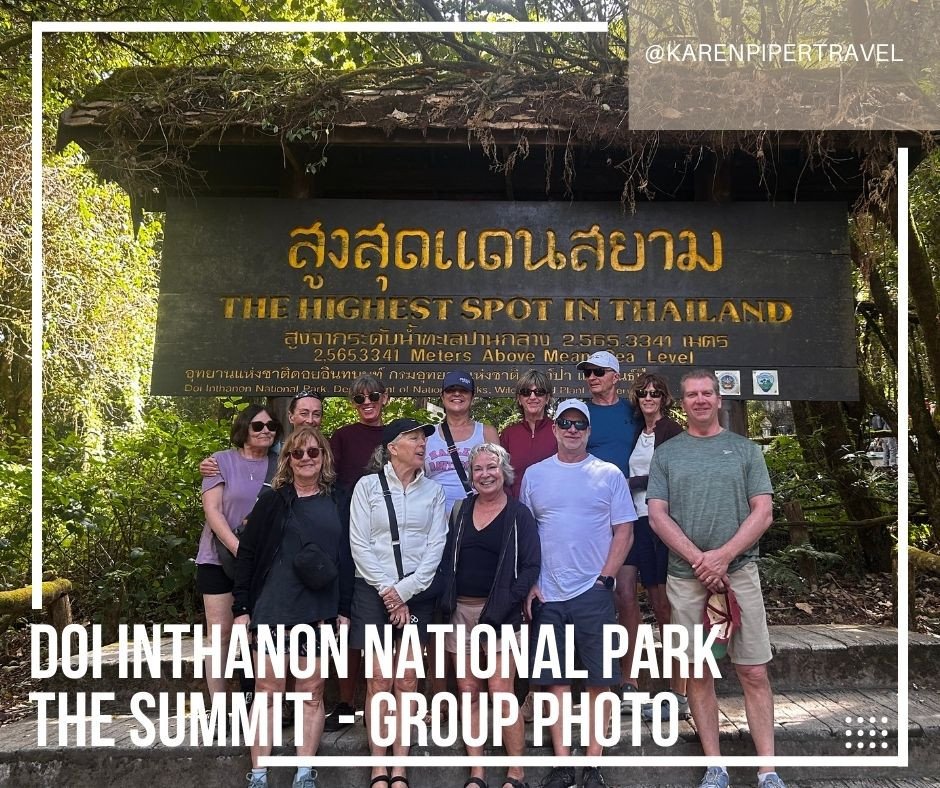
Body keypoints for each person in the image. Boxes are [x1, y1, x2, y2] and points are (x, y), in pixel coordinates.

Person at [647, 370, 785, 788]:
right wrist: (699, 560)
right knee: (697, 671)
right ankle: (715, 766)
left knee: (754, 671)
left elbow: (763, 512)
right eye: (692, 394)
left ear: (719, 399)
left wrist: (722, 557)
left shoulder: (745, 451)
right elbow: (657, 515)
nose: (700, 400)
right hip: (685, 579)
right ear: (682, 402)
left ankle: (768, 770)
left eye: (707, 393)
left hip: (739, 574)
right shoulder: (667, 454)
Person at [521, 399, 636, 788]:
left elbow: (624, 530)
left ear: (588, 431)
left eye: (579, 424)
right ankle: (562, 764)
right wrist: (531, 582)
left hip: (593, 590)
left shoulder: (608, 474)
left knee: (599, 680)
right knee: (553, 681)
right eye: (565, 423)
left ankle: (592, 765)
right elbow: (526, 534)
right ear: (554, 428)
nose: (572, 430)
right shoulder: (535, 475)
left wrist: (606, 578)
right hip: (548, 593)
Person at [232, 425, 349, 788]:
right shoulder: (273, 501)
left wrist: (344, 609)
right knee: (267, 690)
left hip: (320, 610)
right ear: (288, 460)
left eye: (313, 452)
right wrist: (241, 608)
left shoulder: (339, 500)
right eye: (297, 453)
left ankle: (303, 773)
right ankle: (259, 774)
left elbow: (348, 558)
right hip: (274, 607)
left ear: (323, 457)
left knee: (311, 693)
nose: (305, 459)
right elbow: (248, 554)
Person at [348, 418, 447, 788]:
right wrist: (389, 592)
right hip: (373, 592)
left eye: (424, 439)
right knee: (379, 678)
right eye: (414, 438)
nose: (422, 444)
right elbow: (359, 544)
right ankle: (378, 768)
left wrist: (405, 592)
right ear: (392, 447)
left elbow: (436, 547)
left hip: (416, 596)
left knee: (406, 679)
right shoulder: (367, 487)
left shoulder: (434, 492)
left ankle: (400, 768)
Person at [437, 443, 540, 788]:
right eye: (478, 469)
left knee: (501, 690)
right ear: (471, 475)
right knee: (468, 690)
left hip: (502, 614)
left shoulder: (519, 514)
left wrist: (506, 604)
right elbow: (447, 558)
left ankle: (516, 773)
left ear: (504, 471)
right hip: (460, 611)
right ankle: (477, 772)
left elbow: (531, 566)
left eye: (491, 467)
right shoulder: (461, 510)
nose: (485, 475)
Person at [195, 404, 281, 703]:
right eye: (258, 426)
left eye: (271, 426)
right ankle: (218, 706)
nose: (265, 431)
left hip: (263, 563)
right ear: (243, 429)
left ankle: (257, 701)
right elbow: (213, 510)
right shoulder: (219, 462)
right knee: (220, 634)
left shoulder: (281, 464)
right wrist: (239, 549)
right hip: (218, 558)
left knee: (257, 632)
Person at [324, 374, 389, 731]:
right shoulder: (343, 437)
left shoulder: (397, 435)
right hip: (350, 534)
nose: (367, 403)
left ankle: (384, 703)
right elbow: (323, 476)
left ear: (385, 398)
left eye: (373, 396)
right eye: (359, 398)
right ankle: (347, 702)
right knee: (347, 619)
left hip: (391, 539)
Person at [622, 373, 687, 720]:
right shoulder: (637, 431)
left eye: (655, 393)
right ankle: (633, 684)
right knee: (639, 598)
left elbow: (673, 475)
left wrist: (631, 481)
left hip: (663, 523)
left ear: (664, 398)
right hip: (635, 521)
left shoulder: (672, 431)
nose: (649, 398)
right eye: (644, 393)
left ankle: (679, 691)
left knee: (666, 606)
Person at [576, 350, 639, 701]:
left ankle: (629, 677)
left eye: (599, 372)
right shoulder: (581, 415)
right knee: (590, 593)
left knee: (625, 593)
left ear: (616, 375)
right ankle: (594, 676)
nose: (592, 377)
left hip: (629, 512)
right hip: (590, 515)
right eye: (588, 372)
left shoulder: (633, 411)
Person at [425, 370, 500, 514]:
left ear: (472, 397)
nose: (457, 394)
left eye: (463, 390)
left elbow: (497, 477)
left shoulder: (487, 433)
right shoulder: (428, 435)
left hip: (475, 516)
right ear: (442, 396)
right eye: (450, 390)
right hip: (433, 516)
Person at [200, 391, 324, 477]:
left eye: (316, 414)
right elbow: (246, 458)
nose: (310, 420)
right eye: (304, 413)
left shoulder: (328, 449)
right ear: (291, 417)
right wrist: (215, 465)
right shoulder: (274, 448)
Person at [499, 369, 556, 499]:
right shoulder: (508, 434)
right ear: (519, 399)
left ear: (547, 398)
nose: (532, 397)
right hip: (515, 506)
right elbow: (500, 474)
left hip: (552, 506)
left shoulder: (559, 431)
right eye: (526, 392)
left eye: (539, 392)